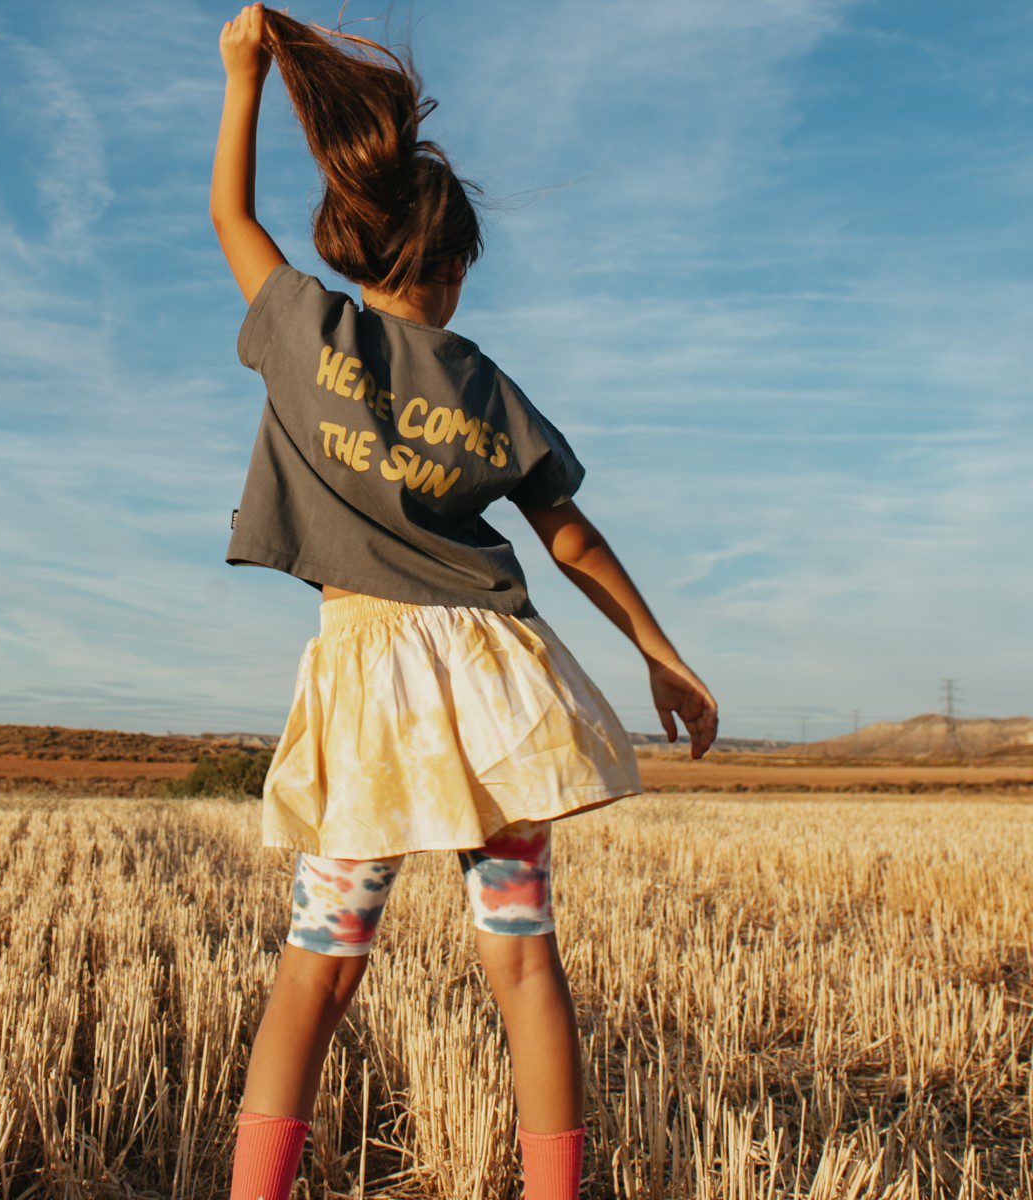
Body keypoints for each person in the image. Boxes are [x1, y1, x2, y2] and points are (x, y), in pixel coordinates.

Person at [209, 6, 719, 1198]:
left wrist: (242, 79)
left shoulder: (305, 329)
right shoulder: (483, 381)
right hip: (495, 681)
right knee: (523, 958)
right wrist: (659, 650)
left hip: (371, 687)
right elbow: (571, 536)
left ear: (356, 245)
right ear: (446, 268)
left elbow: (231, 217)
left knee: (321, 965)